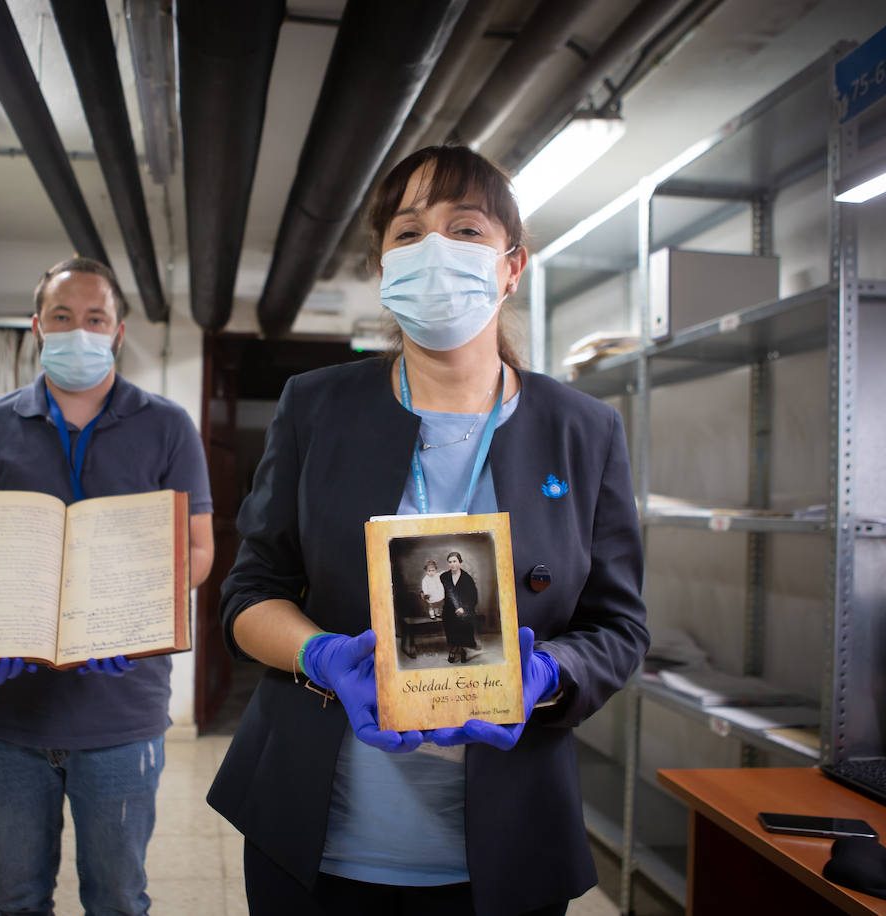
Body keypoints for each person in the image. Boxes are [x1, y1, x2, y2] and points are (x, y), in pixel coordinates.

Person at [206, 145, 647, 916]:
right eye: (408, 233)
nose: (435, 250)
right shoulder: (315, 407)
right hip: (314, 834)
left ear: (512, 266)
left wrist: (548, 677)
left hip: (507, 849)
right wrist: (320, 654)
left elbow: (618, 625)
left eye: (466, 229)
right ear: (383, 265)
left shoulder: (583, 430)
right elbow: (250, 592)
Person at [0, 257, 214, 916]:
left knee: (119, 899)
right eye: (62, 317)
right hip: (9, 713)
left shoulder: (168, 425)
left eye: (95, 318)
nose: (79, 331)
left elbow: (199, 549)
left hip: (122, 713)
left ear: (118, 330)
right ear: (38, 326)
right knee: (13, 898)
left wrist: (144, 610)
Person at [440, 551, 479, 663]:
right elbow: (436, 590)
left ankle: (461, 649)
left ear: (460, 562)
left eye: (455, 561)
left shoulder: (467, 578)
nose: (452, 564)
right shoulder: (444, 577)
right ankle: (453, 648)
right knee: (450, 622)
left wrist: (464, 608)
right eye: (450, 562)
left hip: (464, 610)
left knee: (463, 622)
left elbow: (473, 597)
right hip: (449, 609)